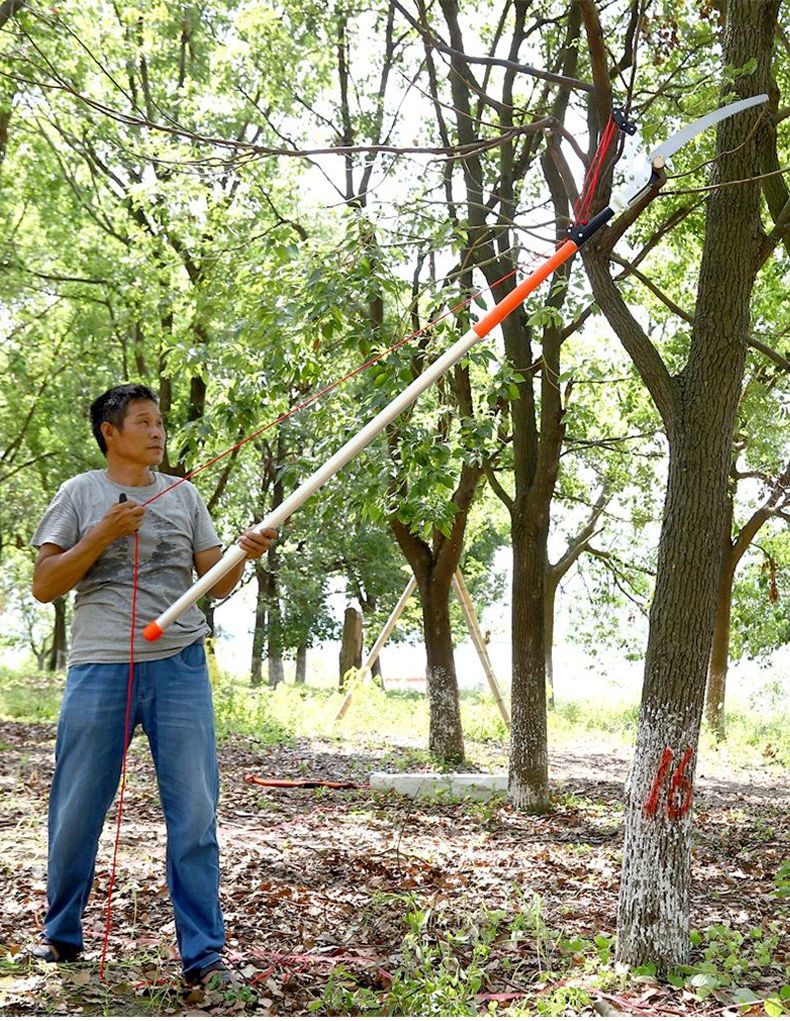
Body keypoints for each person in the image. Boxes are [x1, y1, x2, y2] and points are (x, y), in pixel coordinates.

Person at [29, 383, 276, 986]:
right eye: (143, 422)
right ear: (110, 432)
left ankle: (204, 955)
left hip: (179, 665)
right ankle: (61, 938)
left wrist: (242, 554)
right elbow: (44, 584)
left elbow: (215, 583)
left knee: (194, 812)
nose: (158, 432)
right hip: (100, 666)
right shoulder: (80, 493)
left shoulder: (185, 495)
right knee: (77, 810)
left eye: (160, 422)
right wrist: (102, 535)